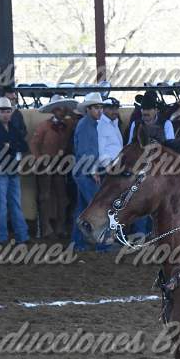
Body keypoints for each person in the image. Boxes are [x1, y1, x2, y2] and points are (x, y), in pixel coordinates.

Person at [30, 95, 77, 238]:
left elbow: (76, 118)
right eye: (59, 109)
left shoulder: (68, 123)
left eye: (63, 109)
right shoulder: (44, 125)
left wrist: (69, 111)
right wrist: (39, 158)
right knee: (45, 196)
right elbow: (34, 144)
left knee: (62, 196)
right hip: (45, 162)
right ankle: (46, 229)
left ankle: (60, 227)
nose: (61, 111)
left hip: (60, 163)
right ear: (53, 110)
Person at [0, 96, 30, 244]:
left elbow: (23, 146)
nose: (6, 114)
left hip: (8, 169)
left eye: (8, 111)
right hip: (2, 169)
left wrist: (9, 145)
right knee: (4, 204)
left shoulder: (9, 128)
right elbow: (1, 149)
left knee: (10, 203)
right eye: (3, 111)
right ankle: (9, 236)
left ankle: (13, 236)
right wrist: (13, 146)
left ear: (11, 112)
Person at [71, 92, 112, 252]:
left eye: (100, 107)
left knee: (83, 209)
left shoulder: (88, 124)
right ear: (88, 109)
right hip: (86, 172)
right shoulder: (87, 125)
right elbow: (85, 151)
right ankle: (102, 244)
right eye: (96, 108)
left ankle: (77, 242)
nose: (99, 110)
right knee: (97, 208)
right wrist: (93, 170)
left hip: (83, 171)